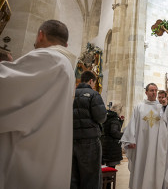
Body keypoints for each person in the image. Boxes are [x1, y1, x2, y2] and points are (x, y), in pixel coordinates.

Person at [0, 20, 76, 189]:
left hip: (30, 154)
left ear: (41, 35)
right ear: (66, 44)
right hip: (48, 150)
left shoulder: (48, 58)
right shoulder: (67, 67)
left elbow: (5, 87)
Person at [121, 83, 168, 189]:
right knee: (141, 167)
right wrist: (130, 140)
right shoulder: (139, 107)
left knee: (157, 166)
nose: (154, 92)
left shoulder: (161, 107)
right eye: (151, 90)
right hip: (142, 146)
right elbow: (132, 124)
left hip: (157, 146)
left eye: (156, 90)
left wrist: (165, 107)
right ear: (146, 92)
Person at [71, 70, 107, 189]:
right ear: (91, 81)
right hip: (89, 140)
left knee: (73, 176)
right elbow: (101, 117)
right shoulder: (93, 94)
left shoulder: (70, 93)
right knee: (91, 176)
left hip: (72, 139)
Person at [101, 103, 124, 168]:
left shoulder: (108, 117)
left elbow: (112, 129)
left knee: (107, 166)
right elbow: (114, 132)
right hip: (112, 147)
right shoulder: (114, 119)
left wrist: (121, 122)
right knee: (111, 167)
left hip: (106, 144)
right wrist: (124, 134)